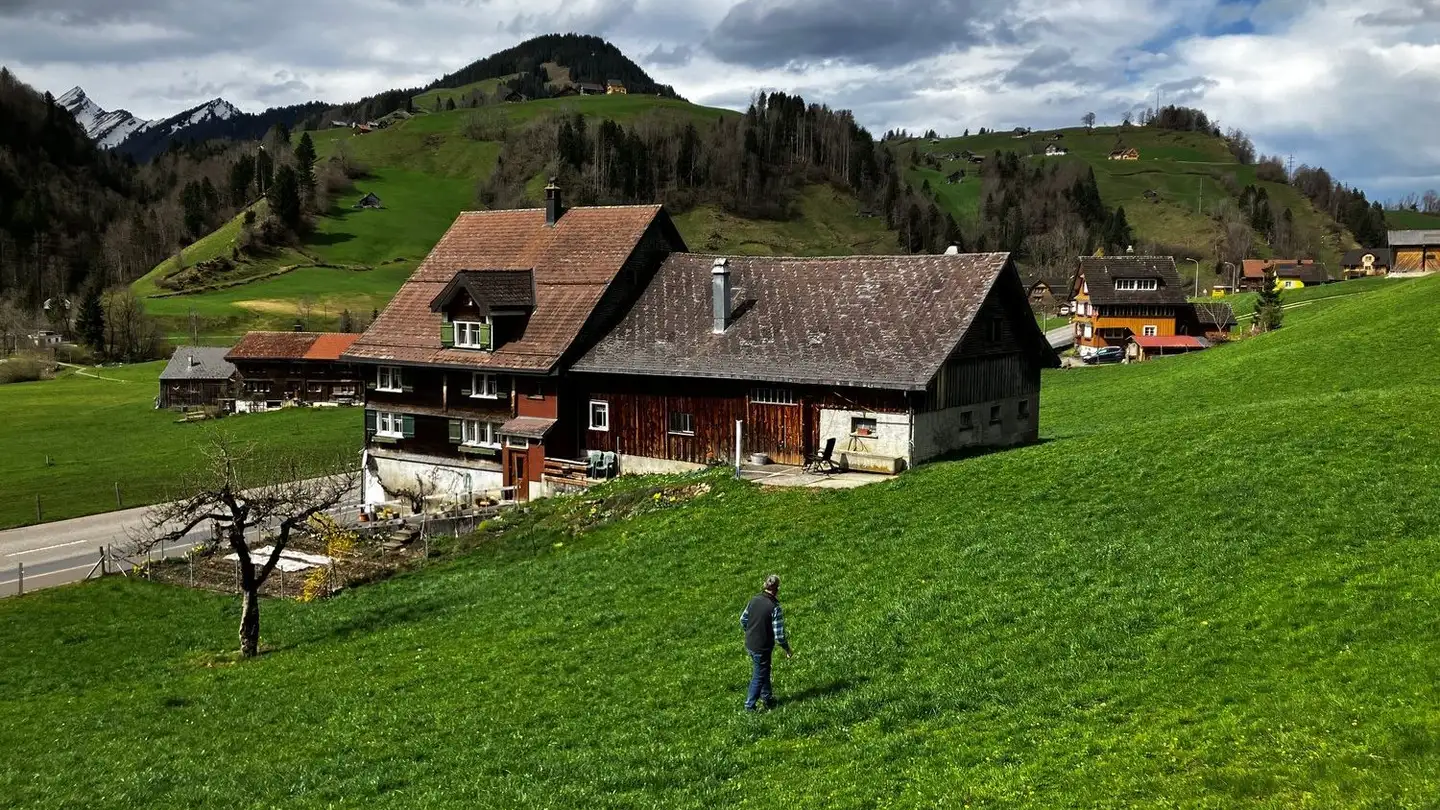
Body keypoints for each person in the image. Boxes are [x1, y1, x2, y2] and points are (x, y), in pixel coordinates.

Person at [740, 574, 792, 711]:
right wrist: (787, 649)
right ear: (777, 589)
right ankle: (749, 706)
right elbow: (779, 635)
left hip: (750, 643)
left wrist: (751, 632)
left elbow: (743, 620)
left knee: (764, 669)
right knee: (759, 675)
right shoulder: (774, 607)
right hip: (762, 647)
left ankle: (767, 698)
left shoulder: (754, 600)